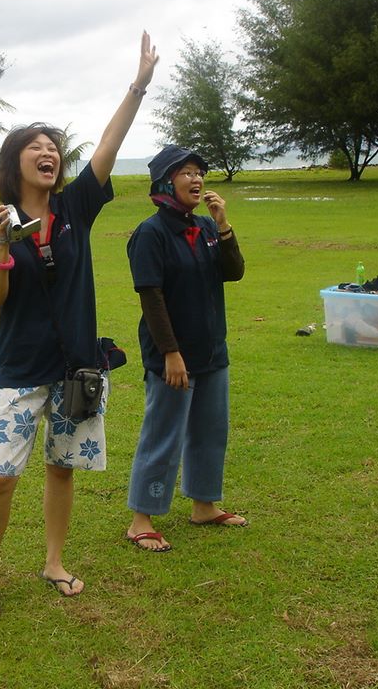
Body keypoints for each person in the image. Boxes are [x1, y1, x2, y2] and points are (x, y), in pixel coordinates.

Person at [0, 32, 159, 618]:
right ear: (15, 163)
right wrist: (3, 247)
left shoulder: (75, 207)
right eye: (36, 147)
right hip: (20, 368)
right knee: (1, 479)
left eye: (53, 147)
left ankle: (54, 562)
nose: (48, 153)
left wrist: (138, 86)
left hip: (77, 366)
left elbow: (108, 145)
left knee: (62, 470)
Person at [124, 145, 246, 552]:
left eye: (199, 172)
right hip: (172, 355)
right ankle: (141, 518)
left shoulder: (207, 227)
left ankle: (204, 505)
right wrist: (170, 353)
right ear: (166, 182)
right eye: (187, 172)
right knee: (163, 434)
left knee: (211, 431)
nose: (197, 179)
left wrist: (224, 226)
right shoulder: (151, 233)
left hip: (211, 350)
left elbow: (234, 272)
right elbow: (151, 296)